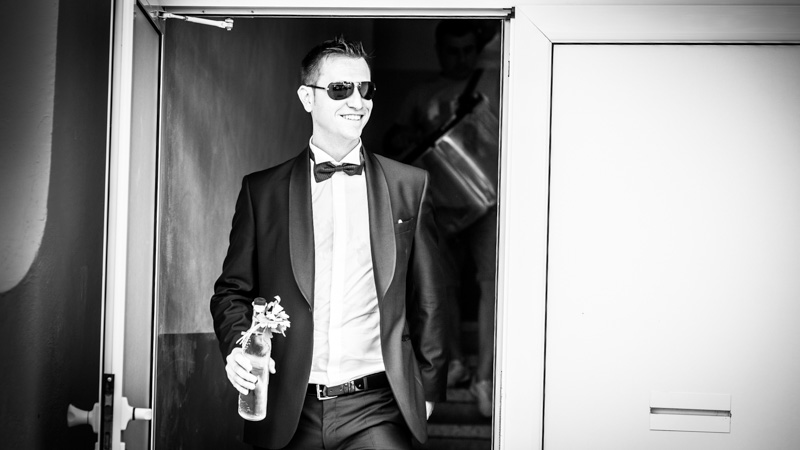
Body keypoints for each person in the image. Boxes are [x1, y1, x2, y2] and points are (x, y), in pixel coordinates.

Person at [210, 36, 448, 450]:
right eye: (340, 89)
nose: (357, 101)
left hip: (378, 407)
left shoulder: (410, 185)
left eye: (365, 89)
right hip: (289, 406)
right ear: (308, 97)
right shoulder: (262, 191)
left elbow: (430, 296)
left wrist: (427, 393)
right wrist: (238, 347)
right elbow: (232, 291)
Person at [383, 20, 499, 418]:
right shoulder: (422, 93)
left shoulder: (497, 82)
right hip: (439, 201)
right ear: (438, 50)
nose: (461, 58)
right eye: (453, 50)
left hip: (489, 200)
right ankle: (456, 364)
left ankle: (485, 377)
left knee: (491, 285)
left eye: (468, 50)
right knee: (441, 285)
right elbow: (395, 141)